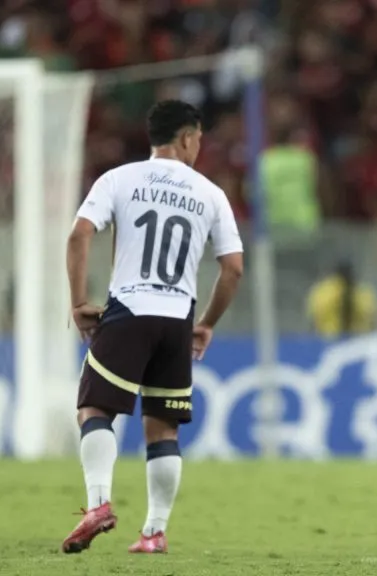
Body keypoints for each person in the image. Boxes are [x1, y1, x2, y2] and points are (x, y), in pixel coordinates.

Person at [62, 100, 244, 554]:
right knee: (163, 428)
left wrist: (79, 301)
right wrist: (206, 324)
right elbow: (234, 268)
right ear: (186, 138)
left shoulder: (119, 179)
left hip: (129, 309)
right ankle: (154, 532)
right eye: (199, 139)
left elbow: (79, 234)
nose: (199, 147)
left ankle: (98, 503)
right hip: (178, 317)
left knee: (95, 409)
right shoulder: (210, 193)